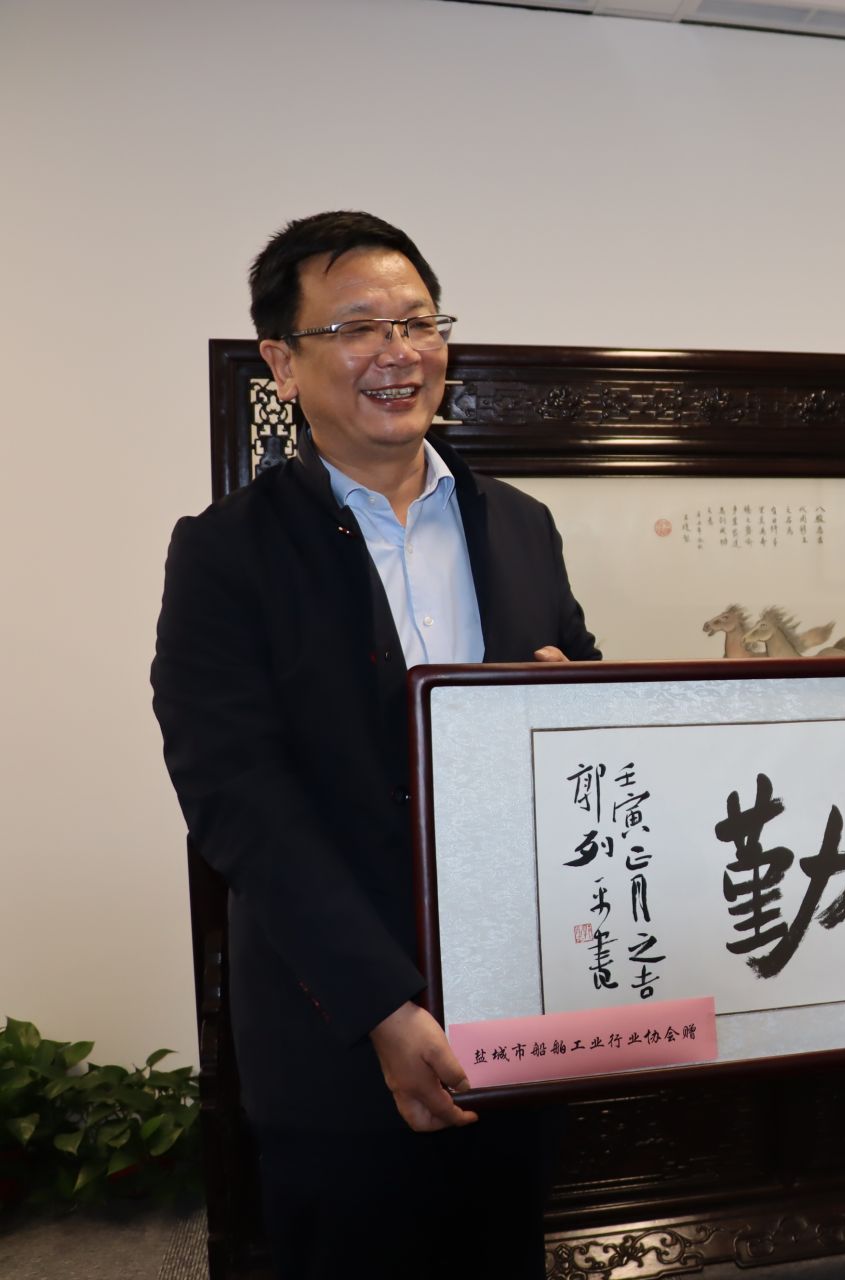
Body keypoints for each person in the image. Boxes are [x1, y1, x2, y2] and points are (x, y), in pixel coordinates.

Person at [152, 211, 599, 1276]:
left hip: (516, 1005)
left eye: (418, 321)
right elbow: (237, 798)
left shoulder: (520, 524)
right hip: (335, 1025)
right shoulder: (226, 553)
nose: (398, 351)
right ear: (282, 362)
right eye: (356, 327)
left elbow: (582, 694)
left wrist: (574, 700)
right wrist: (383, 1006)